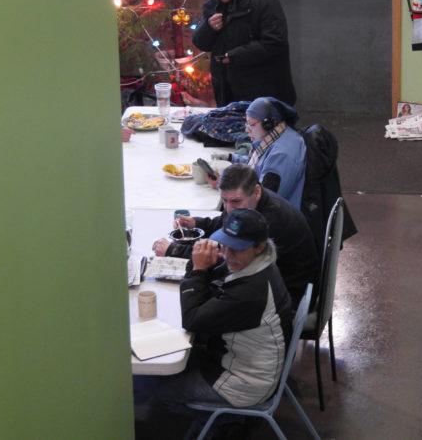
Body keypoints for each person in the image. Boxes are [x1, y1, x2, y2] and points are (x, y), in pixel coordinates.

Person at [134, 209, 293, 426]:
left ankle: (227, 422)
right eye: (225, 245)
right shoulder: (259, 265)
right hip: (239, 359)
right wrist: (198, 263)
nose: (228, 254)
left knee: (164, 394)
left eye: (237, 249)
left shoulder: (249, 293)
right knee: (173, 361)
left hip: (244, 383)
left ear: (259, 247)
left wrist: (198, 270)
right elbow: (214, 287)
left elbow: (191, 319)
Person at [154, 163, 319, 306]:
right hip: (270, 283)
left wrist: (174, 250)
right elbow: (227, 223)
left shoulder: (268, 220)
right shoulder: (250, 202)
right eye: (224, 201)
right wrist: (198, 223)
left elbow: (223, 256)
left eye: (235, 201)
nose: (229, 208)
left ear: (256, 191)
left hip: (288, 295)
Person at [192, 0, 297, 107]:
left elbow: (275, 43)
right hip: (226, 89)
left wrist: (234, 56)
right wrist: (209, 27)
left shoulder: (264, 2)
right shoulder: (214, 5)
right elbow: (201, 44)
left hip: (262, 89)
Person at [211, 96, 306, 208]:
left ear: (268, 124)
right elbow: (260, 163)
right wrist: (230, 158)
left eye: (251, 124)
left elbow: (261, 200)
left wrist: (221, 186)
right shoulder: (280, 134)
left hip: (274, 220)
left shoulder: (282, 155)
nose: (247, 130)